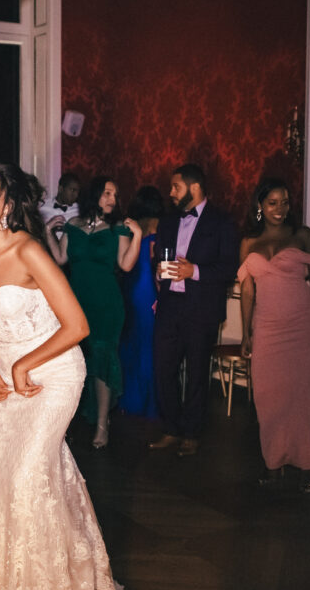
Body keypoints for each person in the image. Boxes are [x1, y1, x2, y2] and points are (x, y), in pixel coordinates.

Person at [0, 162, 139, 590]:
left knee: (28, 475)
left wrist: (22, 365)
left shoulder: (29, 250)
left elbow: (77, 325)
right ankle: (2, 589)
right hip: (7, 376)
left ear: (9, 203)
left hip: (53, 373)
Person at [238, 178, 310, 493]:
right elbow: (247, 291)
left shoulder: (302, 235)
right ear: (260, 206)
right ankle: (273, 463)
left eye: (285, 202)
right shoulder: (248, 242)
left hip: (303, 325)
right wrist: (246, 332)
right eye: (272, 203)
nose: (280, 209)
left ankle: (306, 465)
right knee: (267, 396)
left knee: (303, 396)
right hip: (267, 327)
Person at [149, 164, 239, 456]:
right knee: (163, 368)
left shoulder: (222, 221)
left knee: (198, 372)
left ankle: (192, 433)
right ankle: (171, 428)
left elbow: (229, 268)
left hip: (202, 309)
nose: (171, 192)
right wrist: (159, 270)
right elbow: (158, 258)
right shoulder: (167, 221)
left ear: (195, 187)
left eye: (176, 187)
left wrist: (195, 271)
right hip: (170, 306)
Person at [46, 176, 142, 448]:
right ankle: (66, 423)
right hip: (75, 303)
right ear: (95, 194)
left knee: (102, 361)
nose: (112, 199)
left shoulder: (117, 228)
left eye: (115, 194)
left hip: (106, 305)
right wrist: (47, 232)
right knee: (72, 363)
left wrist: (138, 236)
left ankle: (102, 425)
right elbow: (61, 258)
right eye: (107, 193)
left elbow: (125, 265)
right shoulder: (74, 225)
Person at [118, 185, 164, 417]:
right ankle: (148, 403)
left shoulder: (132, 226)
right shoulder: (159, 226)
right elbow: (158, 265)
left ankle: (130, 399)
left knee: (132, 343)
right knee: (148, 346)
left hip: (131, 287)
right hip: (149, 291)